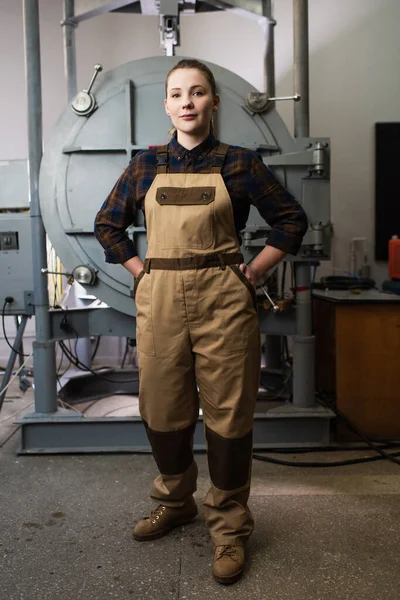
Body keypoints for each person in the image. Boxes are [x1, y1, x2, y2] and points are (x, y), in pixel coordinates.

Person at [94, 59, 308, 585]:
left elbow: (291, 220)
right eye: (177, 94)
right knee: (163, 408)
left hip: (223, 297)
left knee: (229, 416)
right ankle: (176, 500)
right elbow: (107, 225)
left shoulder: (240, 162)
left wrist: (254, 271)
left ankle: (230, 528)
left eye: (197, 92)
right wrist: (143, 271)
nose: (187, 102)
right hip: (161, 295)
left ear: (213, 102)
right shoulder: (145, 165)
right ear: (166, 105)